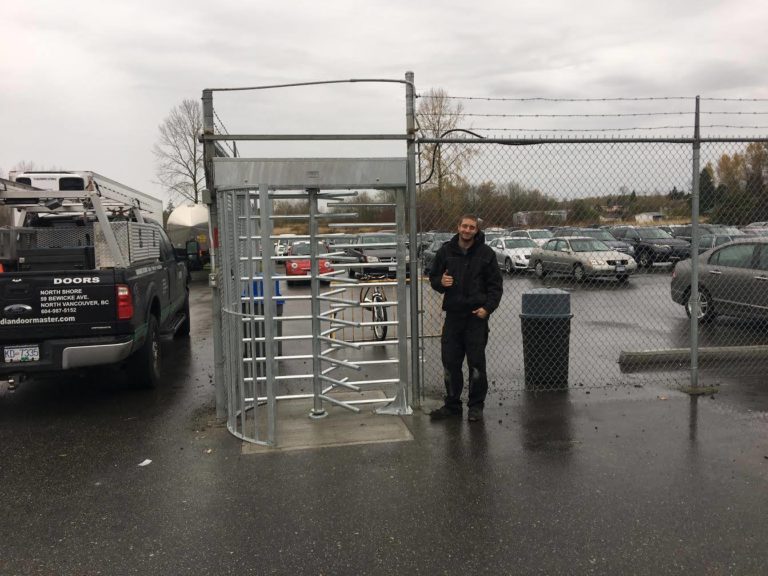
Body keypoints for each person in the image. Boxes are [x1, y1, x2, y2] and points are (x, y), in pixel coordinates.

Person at [428, 214, 503, 422]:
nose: (467, 230)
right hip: (453, 317)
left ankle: (476, 406)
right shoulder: (446, 251)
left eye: (472, 227)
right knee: (450, 362)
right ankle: (452, 405)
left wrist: (487, 309)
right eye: (464, 226)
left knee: (476, 364)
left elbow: (496, 287)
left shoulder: (486, 254)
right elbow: (433, 278)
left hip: (476, 319)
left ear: (476, 230)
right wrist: (441, 281)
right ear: (458, 227)